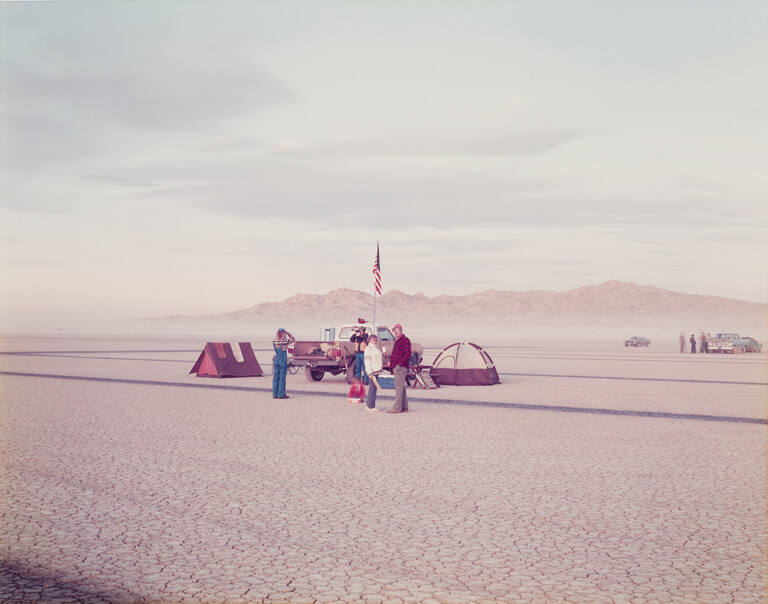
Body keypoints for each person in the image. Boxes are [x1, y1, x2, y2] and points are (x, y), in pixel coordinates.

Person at [387, 323, 411, 414]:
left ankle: (397, 408)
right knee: (401, 388)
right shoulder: (397, 340)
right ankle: (404, 407)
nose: (396, 332)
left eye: (397, 330)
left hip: (400, 367)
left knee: (398, 389)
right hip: (396, 366)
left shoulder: (405, 340)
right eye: (395, 331)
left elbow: (407, 354)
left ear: (401, 330)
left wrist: (399, 365)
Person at [272, 328, 294, 399]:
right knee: (282, 378)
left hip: (276, 360)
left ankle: (275, 394)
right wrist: (288, 333)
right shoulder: (285, 341)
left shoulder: (274, 341)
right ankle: (281, 394)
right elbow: (293, 339)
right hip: (282, 361)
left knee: (276, 378)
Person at [363, 334, 382, 412]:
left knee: (374, 389)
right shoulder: (368, 349)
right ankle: (369, 406)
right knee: (372, 389)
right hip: (372, 372)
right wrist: (369, 372)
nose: (374, 341)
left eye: (375, 339)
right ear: (369, 340)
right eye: (372, 339)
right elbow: (367, 362)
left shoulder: (376, 348)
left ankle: (372, 405)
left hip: (376, 371)